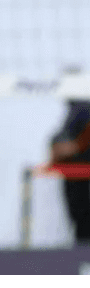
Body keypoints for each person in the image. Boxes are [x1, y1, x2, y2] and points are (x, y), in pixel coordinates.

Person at [50, 99, 90, 244]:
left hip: (80, 178)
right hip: (76, 179)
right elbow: (59, 147)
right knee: (82, 227)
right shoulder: (78, 110)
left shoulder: (82, 109)